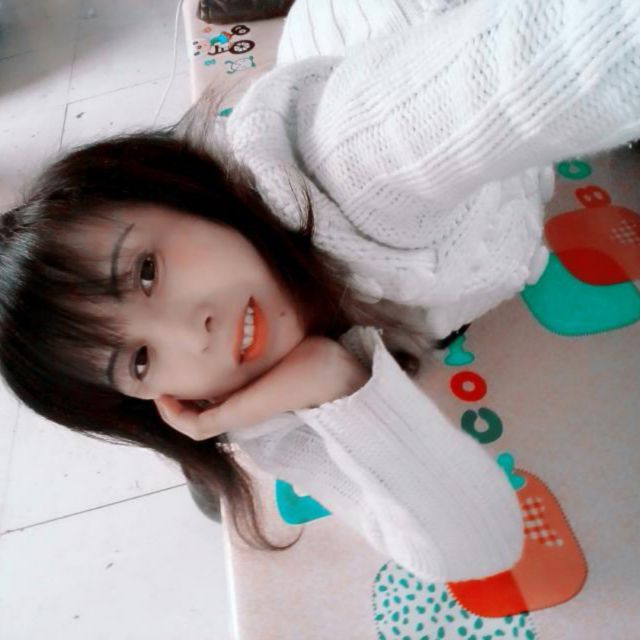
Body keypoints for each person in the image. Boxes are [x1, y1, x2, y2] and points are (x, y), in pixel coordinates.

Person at [0, 0, 638, 582]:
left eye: (146, 272)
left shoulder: (355, 158)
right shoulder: (264, 408)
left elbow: (587, 46)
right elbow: (481, 550)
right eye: (140, 360)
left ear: (180, 194)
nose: (192, 335)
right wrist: (340, 386)